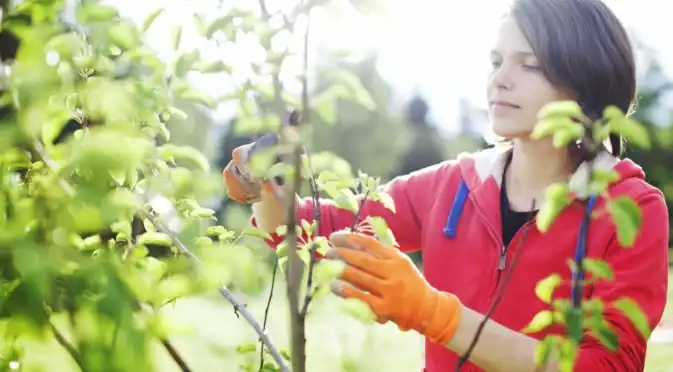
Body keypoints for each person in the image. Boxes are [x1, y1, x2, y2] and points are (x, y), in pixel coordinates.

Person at [222, 0, 670, 371]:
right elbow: (317, 226)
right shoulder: (453, 185)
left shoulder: (630, 209)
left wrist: (434, 313)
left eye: (528, 64)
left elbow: (608, 366)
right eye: (496, 62)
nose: (500, 78)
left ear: (585, 81)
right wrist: (260, 184)